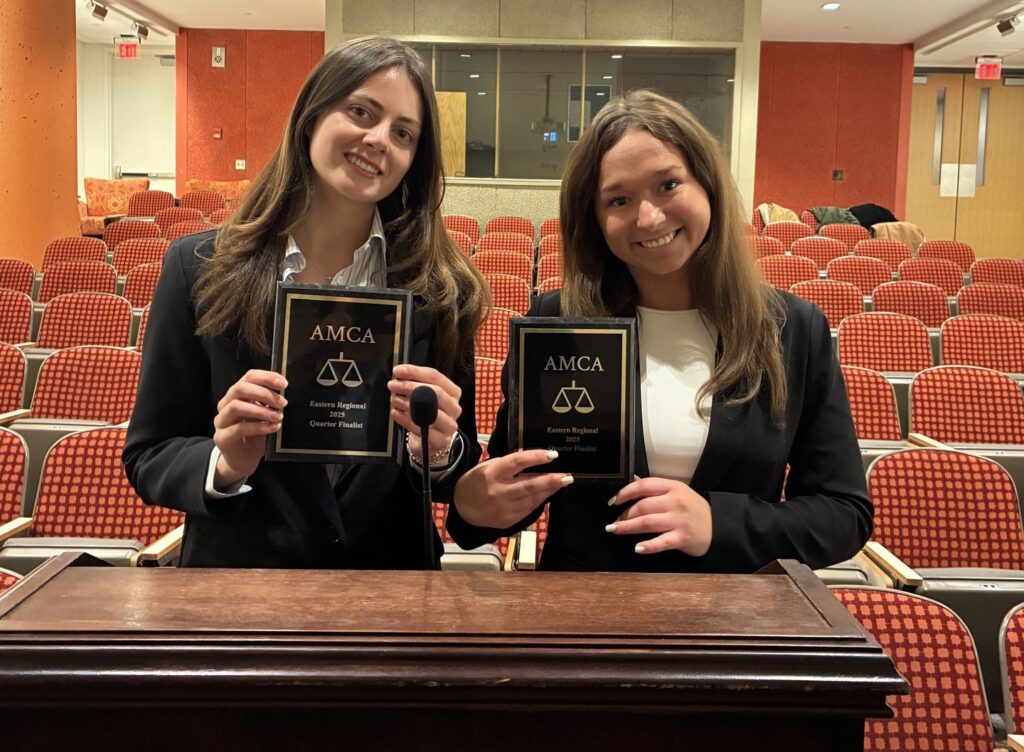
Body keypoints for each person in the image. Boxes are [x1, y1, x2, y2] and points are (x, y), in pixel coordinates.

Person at [446, 89, 872, 573]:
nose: (648, 217)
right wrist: (472, 505)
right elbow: (506, 500)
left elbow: (843, 514)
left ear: (707, 185)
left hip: (734, 613)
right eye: (619, 200)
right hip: (587, 610)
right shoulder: (557, 322)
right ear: (595, 219)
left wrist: (718, 523)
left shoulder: (792, 329)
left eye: (668, 185)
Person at [123, 37, 488, 569]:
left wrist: (434, 449)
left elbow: (456, 466)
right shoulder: (197, 267)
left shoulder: (443, 292)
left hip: (392, 585)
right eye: (362, 112)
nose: (379, 139)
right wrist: (225, 463)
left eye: (403, 133)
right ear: (312, 116)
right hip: (242, 585)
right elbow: (150, 454)